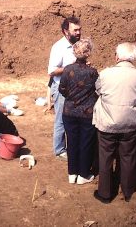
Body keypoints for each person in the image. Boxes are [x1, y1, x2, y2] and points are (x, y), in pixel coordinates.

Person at [92, 43, 136, 203]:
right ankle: (129, 192)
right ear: (134, 57)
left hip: (108, 123)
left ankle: (105, 194)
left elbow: (98, 91)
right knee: (129, 157)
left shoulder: (105, 74)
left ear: (117, 56)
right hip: (131, 124)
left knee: (106, 157)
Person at [58, 38, 98, 184]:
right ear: (88, 53)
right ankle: (83, 175)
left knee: (72, 142)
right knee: (86, 143)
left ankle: (72, 173)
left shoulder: (67, 69)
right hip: (87, 113)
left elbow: (61, 88)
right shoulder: (92, 72)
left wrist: (72, 97)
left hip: (69, 112)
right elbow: (97, 90)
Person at [47, 16, 82, 160]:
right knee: (61, 118)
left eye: (80, 29)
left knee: (74, 118)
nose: (79, 33)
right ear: (65, 31)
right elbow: (52, 71)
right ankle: (59, 150)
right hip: (61, 88)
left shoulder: (77, 44)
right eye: (75, 30)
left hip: (75, 89)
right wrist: (71, 67)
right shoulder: (59, 47)